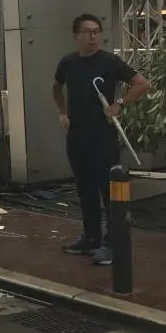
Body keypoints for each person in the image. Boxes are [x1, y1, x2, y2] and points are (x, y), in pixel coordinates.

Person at [52, 14, 150, 266]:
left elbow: (140, 83)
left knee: (109, 192)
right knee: (85, 191)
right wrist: (62, 112)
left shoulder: (109, 62)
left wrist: (119, 103)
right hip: (77, 136)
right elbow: (56, 87)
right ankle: (91, 238)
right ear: (76, 36)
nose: (93, 36)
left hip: (102, 136)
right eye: (87, 32)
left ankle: (113, 244)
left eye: (96, 31)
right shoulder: (68, 63)